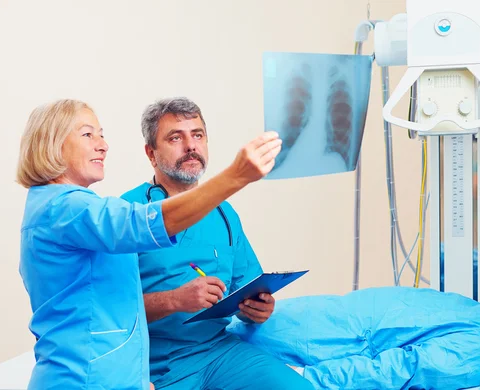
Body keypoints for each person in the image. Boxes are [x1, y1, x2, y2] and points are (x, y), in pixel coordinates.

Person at [16, 99, 281, 390]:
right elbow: (146, 224)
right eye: (88, 134)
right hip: (93, 377)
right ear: (51, 144)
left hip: (136, 371)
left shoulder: (68, 207)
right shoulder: (70, 208)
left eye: (101, 134)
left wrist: (137, 380)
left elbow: (112, 305)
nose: (103, 145)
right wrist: (236, 176)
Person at [120, 97, 314, 390]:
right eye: (176, 137)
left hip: (218, 351)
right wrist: (175, 300)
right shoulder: (128, 214)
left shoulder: (223, 213)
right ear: (151, 153)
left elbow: (244, 286)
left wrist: (255, 308)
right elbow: (109, 309)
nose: (190, 146)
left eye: (197, 135)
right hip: (157, 363)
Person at [227, 282, 480, 390]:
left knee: (218, 352)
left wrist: (310, 379)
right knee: (223, 331)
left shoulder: (477, 349)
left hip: (325, 343)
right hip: (327, 317)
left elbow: (398, 369)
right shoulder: (475, 311)